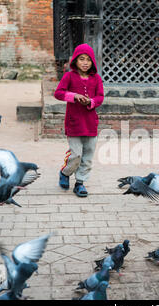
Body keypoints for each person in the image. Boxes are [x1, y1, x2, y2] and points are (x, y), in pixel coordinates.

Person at [54, 43, 104, 197]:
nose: (85, 62)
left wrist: (91, 102)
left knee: (87, 157)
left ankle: (80, 183)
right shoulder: (69, 76)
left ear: (93, 62)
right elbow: (58, 93)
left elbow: (100, 97)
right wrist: (74, 96)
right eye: (81, 59)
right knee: (76, 154)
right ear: (75, 61)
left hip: (90, 124)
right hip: (74, 123)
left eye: (88, 60)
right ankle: (65, 172)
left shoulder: (96, 79)